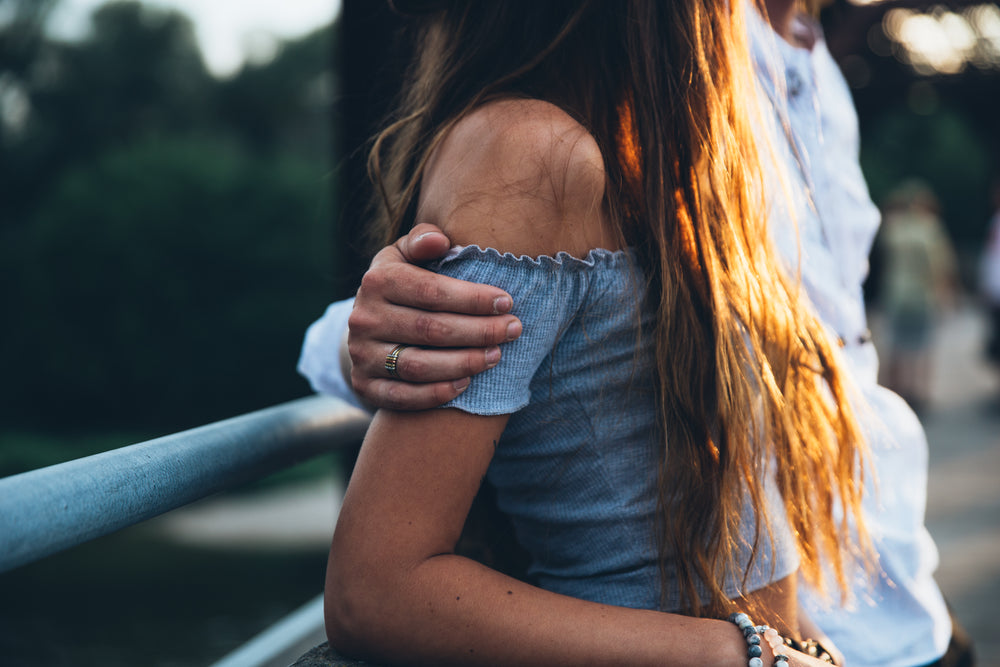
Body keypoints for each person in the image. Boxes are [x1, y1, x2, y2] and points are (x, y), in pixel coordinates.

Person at [302, 2, 976, 667]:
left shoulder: (670, 152)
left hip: (858, 627)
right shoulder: (530, 154)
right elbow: (375, 591)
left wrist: (797, 646)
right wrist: (743, 653)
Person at [875, 181, 957, 412]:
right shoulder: (931, 230)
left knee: (896, 345)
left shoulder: (895, 229)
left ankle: (895, 392)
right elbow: (940, 264)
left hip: (896, 294)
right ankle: (919, 393)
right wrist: (946, 294)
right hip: (922, 295)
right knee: (921, 347)